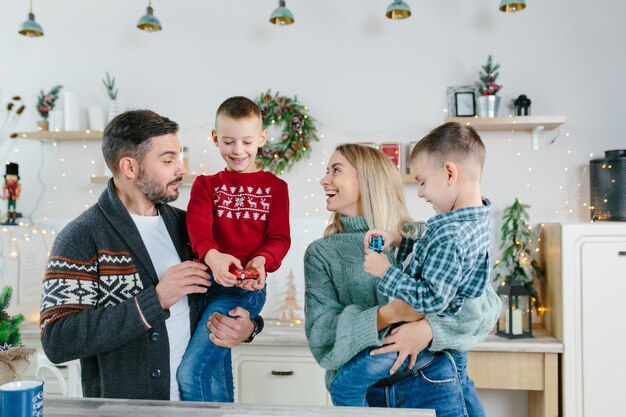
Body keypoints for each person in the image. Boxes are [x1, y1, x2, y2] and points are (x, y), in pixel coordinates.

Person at [39, 109, 262, 400]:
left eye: (178, 158)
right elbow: (58, 340)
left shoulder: (190, 229)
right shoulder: (81, 237)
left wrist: (249, 328)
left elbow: (234, 294)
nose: (181, 170)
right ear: (130, 168)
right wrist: (155, 300)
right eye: (168, 160)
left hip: (203, 405)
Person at [304, 143, 500, 416]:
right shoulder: (320, 253)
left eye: (336, 170)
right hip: (364, 393)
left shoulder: (423, 235)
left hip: (432, 382)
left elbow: (484, 306)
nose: (324, 179)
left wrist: (430, 330)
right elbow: (321, 336)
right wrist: (386, 314)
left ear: (369, 179)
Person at [177, 96, 291, 402]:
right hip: (203, 289)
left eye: (246, 141)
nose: (237, 150)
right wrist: (213, 259)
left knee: (190, 373)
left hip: (242, 289)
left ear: (262, 139)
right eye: (228, 141)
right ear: (215, 139)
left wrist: (261, 261)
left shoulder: (275, 187)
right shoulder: (205, 185)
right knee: (214, 369)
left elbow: (280, 238)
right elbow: (198, 230)